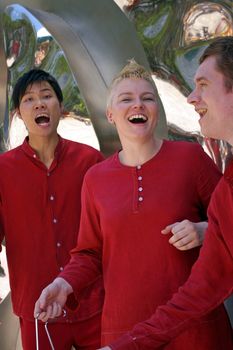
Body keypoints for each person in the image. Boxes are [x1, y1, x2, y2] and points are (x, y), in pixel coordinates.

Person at [34, 59, 233, 349]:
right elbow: (90, 253)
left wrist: (203, 230)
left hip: (195, 329)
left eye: (147, 98)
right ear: (111, 114)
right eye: (126, 99)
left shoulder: (190, 159)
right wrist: (64, 284)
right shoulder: (95, 178)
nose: (138, 105)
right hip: (124, 331)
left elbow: (227, 223)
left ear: (157, 110)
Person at [0, 69, 104, 350]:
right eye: (29, 99)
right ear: (19, 113)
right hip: (37, 309)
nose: (39, 104)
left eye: (47, 96)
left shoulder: (90, 161)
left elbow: (111, 229)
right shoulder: (3, 170)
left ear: (61, 107)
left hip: (93, 302)